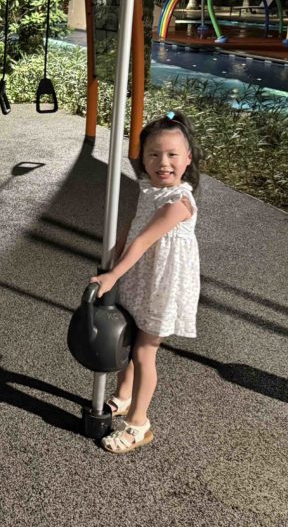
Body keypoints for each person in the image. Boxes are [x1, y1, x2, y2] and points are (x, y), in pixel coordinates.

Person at [90, 111, 202, 454]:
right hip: (143, 279)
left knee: (143, 350)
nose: (162, 162)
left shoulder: (179, 202)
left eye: (171, 155)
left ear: (187, 159)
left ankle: (139, 423)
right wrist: (112, 256)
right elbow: (131, 231)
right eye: (153, 154)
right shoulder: (149, 190)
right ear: (142, 158)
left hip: (163, 287)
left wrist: (113, 274)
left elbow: (143, 242)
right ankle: (124, 397)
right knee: (131, 338)